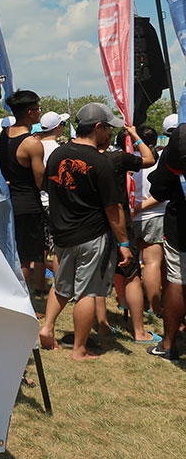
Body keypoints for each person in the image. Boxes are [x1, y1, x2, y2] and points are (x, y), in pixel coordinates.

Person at [38, 103, 133, 360]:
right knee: (88, 292)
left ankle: (47, 328)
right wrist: (124, 243)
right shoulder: (100, 163)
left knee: (61, 286)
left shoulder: (57, 154)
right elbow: (113, 210)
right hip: (91, 235)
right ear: (98, 128)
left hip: (62, 233)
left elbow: (50, 188)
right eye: (108, 129)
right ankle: (79, 349)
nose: (110, 134)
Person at [99, 128, 157, 344]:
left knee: (100, 276)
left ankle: (102, 326)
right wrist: (135, 135)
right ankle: (139, 331)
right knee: (131, 275)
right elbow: (149, 159)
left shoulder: (86, 157)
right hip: (120, 220)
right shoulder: (117, 158)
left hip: (95, 223)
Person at [0, 90, 46, 291]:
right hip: (28, 206)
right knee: (25, 259)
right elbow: (41, 182)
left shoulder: (3, 136)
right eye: (38, 109)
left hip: (6, 202)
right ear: (31, 113)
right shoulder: (32, 144)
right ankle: (24, 302)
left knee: (11, 254)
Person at [147, 122, 186, 361]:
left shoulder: (181, 137)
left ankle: (169, 343)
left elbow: (159, 188)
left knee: (177, 280)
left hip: (181, 225)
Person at [132, 125, 166, 316]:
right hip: (155, 216)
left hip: (131, 217)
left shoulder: (128, 160)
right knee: (152, 262)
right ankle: (154, 306)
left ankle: (130, 301)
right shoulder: (159, 162)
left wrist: (134, 209)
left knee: (131, 263)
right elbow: (161, 194)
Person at [36, 111, 70, 282]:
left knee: (41, 245)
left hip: (37, 201)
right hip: (53, 201)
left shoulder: (34, 146)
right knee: (57, 247)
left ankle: (40, 284)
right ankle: (60, 284)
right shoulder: (60, 151)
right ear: (57, 127)